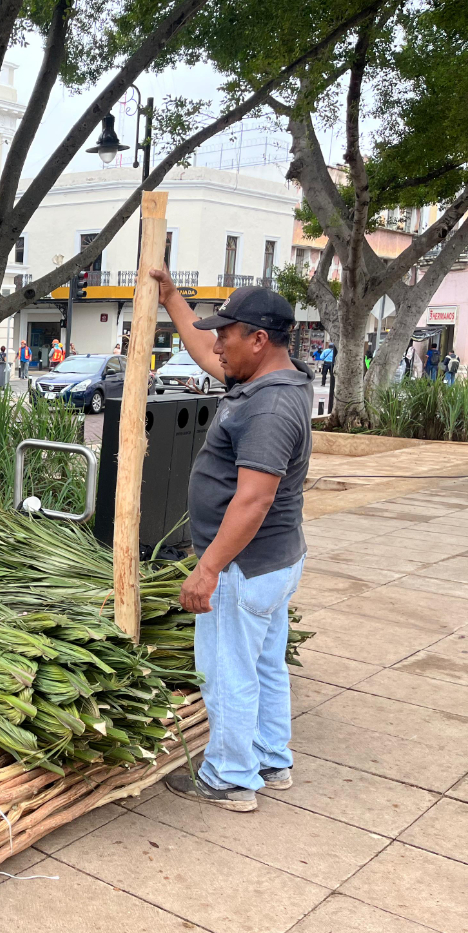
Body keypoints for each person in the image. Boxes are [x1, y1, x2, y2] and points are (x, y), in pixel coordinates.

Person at [149, 269, 313, 813]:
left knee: (228, 670)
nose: (217, 344)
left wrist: (209, 567)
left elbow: (253, 500)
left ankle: (230, 777)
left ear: (259, 340)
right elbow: (203, 351)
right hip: (273, 560)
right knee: (265, 663)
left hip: (244, 565)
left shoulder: (268, 407)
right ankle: (271, 758)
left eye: (227, 334)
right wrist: (172, 297)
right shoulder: (267, 381)